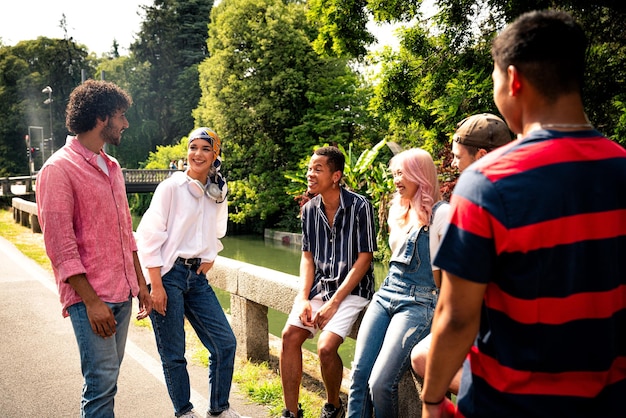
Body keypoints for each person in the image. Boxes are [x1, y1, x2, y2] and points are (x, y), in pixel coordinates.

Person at [421, 10, 626, 418]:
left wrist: (431, 401)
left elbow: (458, 316)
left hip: (510, 404)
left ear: (513, 80)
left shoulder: (488, 183)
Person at [36, 79, 153, 417]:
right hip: (92, 300)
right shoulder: (58, 170)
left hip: (122, 293)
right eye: (121, 115)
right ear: (102, 117)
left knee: (108, 382)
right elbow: (60, 248)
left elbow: (125, 232)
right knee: (100, 385)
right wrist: (91, 302)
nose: (126, 123)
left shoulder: (112, 166)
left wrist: (140, 283)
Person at [135, 127, 243, 418]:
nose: (198, 154)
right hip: (168, 275)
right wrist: (155, 285)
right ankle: (184, 411)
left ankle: (219, 408)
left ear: (215, 154)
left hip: (196, 278)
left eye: (205, 148)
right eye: (193, 147)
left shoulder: (218, 190)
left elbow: (217, 231)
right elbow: (148, 236)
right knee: (174, 352)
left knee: (225, 343)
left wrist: (208, 258)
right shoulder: (171, 187)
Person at [410, 113, 513, 396]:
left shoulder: (475, 198)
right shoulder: (533, 186)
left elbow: (457, 304)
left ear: (480, 155)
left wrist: (431, 401)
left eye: (458, 157)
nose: (453, 164)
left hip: (496, 329)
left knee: (422, 357)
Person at [347, 148, 450, 418]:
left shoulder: (442, 214)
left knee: (380, 382)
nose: (395, 180)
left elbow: (447, 275)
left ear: (420, 174)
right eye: (394, 174)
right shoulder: (397, 210)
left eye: (402, 173)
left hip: (420, 301)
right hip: (385, 295)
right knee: (359, 373)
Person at [280, 146, 377, 418]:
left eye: (317, 169)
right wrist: (302, 298)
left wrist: (334, 304)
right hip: (319, 288)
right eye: (310, 169)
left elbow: (364, 260)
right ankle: (291, 411)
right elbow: (307, 258)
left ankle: (333, 405)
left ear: (336, 176)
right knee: (289, 337)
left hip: (352, 291)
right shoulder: (309, 210)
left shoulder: (360, 206)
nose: (310, 174)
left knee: (325, 348)